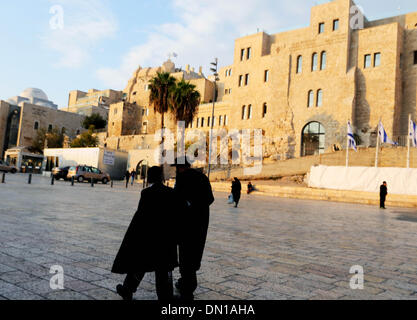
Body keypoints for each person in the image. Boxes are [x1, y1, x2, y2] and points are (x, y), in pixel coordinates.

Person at [112, 166, 180, 301]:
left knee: (140, 263)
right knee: (164, 267)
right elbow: (175, 216)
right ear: (161, 177)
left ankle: (127, 289)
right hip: (165, 237)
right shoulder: (170, 193)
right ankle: (165, 296)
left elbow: (140, 216)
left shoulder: (146, 193)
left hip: (148, 236)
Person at [172, 157, 214, 301]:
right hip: (201, 223)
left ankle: (187, 291)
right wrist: (198, 207)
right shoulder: (202, 177)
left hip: (186, 224)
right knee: (195, 253)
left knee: (185, 255)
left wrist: (189, 207)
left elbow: (176, 200)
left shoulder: (182, 178)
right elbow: (210, 199)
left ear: (180, 167)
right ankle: (185, 282)